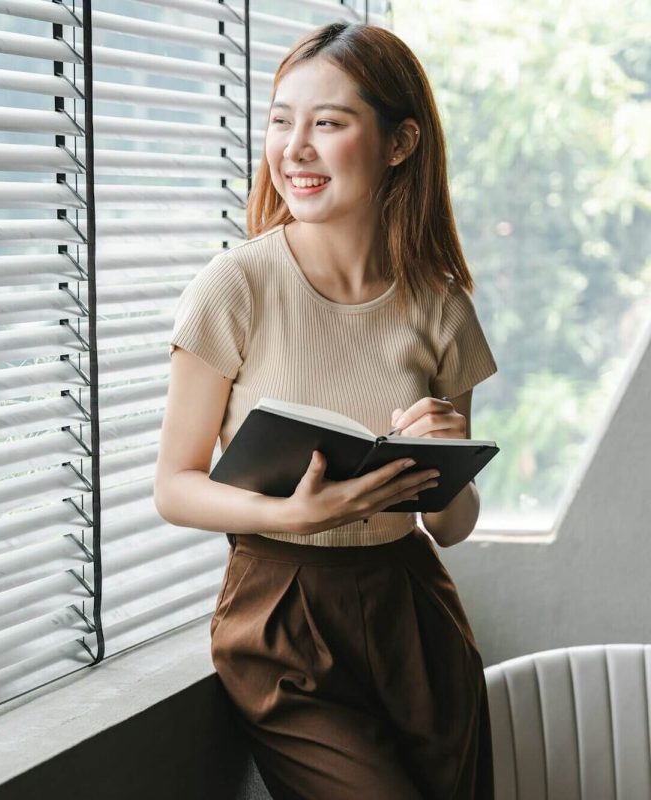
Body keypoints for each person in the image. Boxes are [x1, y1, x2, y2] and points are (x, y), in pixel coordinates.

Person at [154, 20, 497, 800]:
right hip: (281, 615)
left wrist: (449, 459)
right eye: (281, 121)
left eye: (328, 123)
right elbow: (174, 486)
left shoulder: (442, 306)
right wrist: (293, 516)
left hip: (414, 611)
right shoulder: (233, 287)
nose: (294, 148)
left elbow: (452, 525)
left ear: (400, 142)